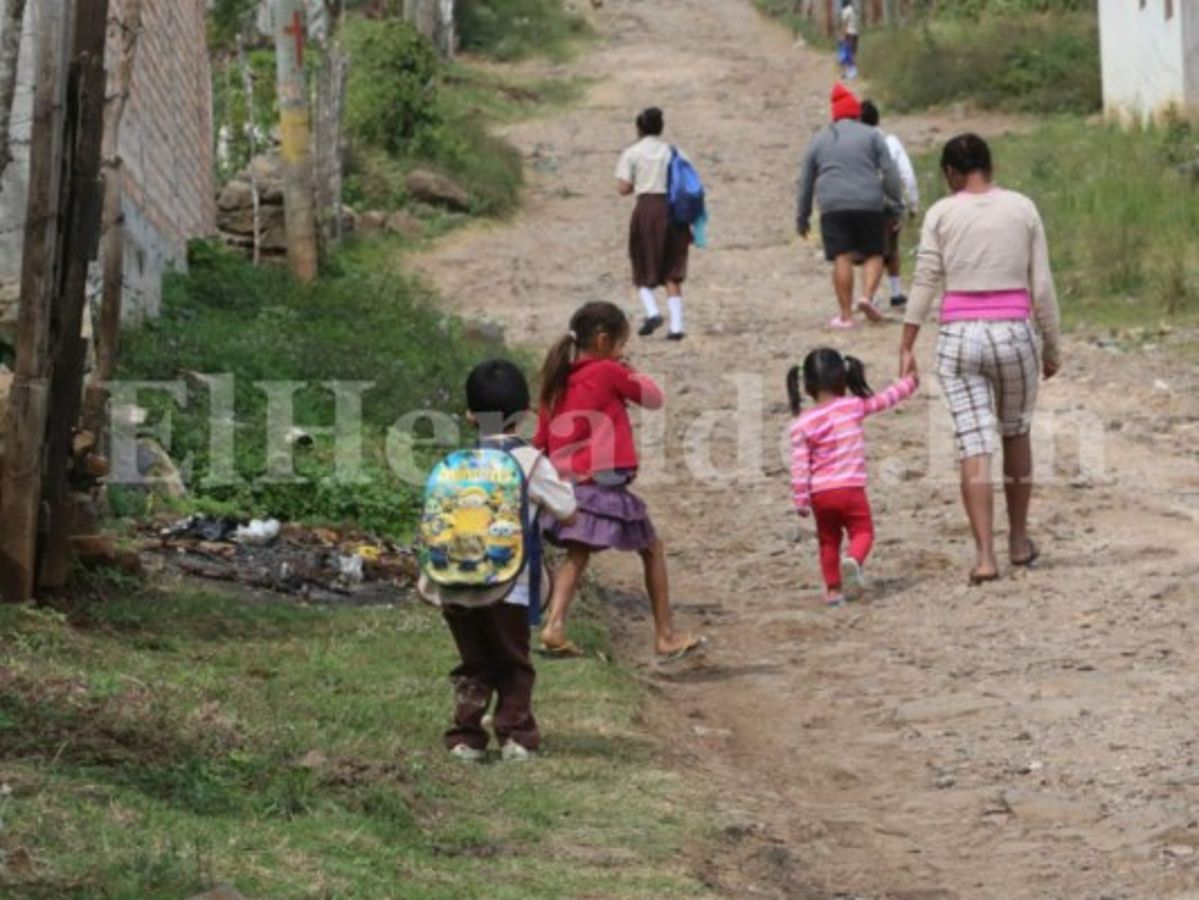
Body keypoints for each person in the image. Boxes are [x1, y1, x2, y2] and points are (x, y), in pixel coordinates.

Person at [899, 133, 1062, 585]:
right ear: (989, 167)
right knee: (1015, 432)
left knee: (974, 444)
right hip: (1014, 333)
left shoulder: (942, 213)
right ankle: (1019, 540)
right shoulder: (1022, 208)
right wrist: (1051, 347)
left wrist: (907, 342)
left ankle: (985, 556)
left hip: (960, 337)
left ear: (951, 173)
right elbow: (1042, 288)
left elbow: (925, 279)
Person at [534, 300, 704, 660]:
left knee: (577, 554)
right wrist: (632, 371)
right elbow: (653, 399)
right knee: (652, 548)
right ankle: (665, 635)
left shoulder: (555, 382)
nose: (623, 351)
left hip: (567, 484)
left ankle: (554, 625)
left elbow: (540, 442)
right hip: (601, 481)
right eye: (621, 344)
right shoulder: (607, 372)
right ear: (602, 340)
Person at [429, 359, 578, 763]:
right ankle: (515, 735)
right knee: (514, 663)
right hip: (510, 585)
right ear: (527, 410)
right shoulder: (532, 462)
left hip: (455, 584)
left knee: (474, 663)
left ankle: (465, 737)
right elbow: (567, 508)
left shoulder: (456, 464)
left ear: (470, 415)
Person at [788, 348, 918, 606]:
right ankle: (854, 561)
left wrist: (801, 499)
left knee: (828, 542)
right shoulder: (853, 407)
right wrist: (910, 381)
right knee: (863, 532)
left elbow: (800, 465)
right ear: (843, 378)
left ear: (807, 385)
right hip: (851, 490)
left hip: (820, 494)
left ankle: (834, 591)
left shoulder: (803, 423)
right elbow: (886, 399)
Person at [797, 83, 903, 329]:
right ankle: (866, 296)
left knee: (841, 256)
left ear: (835, 114)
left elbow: (806, 182)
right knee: (875, 252)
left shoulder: (819, 139)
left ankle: (845, 316)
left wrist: (802, 217)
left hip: (833, 205)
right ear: (856, 114)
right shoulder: (873, 135)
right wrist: (896, 204)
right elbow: (890, 172)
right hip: (869, 203)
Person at [615, 107, 692, 341]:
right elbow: (688, 182)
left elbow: (623, 188)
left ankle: (653, 312)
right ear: (661, 127)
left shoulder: (632, 153)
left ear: (639, 128)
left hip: (647, 210)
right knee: (672, 270)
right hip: (672, 211)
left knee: (641, 261)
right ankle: (677, 327)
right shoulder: (674, 152)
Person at [860, 99, 920, 308]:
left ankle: (870, 295)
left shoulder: (855, 143)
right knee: (891, 248)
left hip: (864, 203)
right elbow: (906, 173)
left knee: (870, 251)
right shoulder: (891, 141)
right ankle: (895, 293)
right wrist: (913, 204)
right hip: (889, 202)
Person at [839, 0, 859, 80]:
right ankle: (852, 72)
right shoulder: (853, 9)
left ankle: (846, 73)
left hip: (848, 34)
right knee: (852, 53)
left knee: (845, 53)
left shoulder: (846, 10)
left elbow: (845, 24)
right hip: (855, 33)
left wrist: (842, 36)